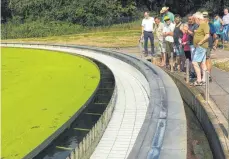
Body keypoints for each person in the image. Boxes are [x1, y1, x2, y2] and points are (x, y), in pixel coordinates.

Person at [191, 12, 209, 86]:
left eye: (195, 19)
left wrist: (200, 42)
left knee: (194, 62)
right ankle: (204, 80)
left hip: (201, 47)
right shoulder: (200, 25)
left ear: (198, 19)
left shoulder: (204, 24)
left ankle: (199, 80)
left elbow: (207, 35)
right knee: (202, 63)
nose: (195, 21)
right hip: (200, 47)